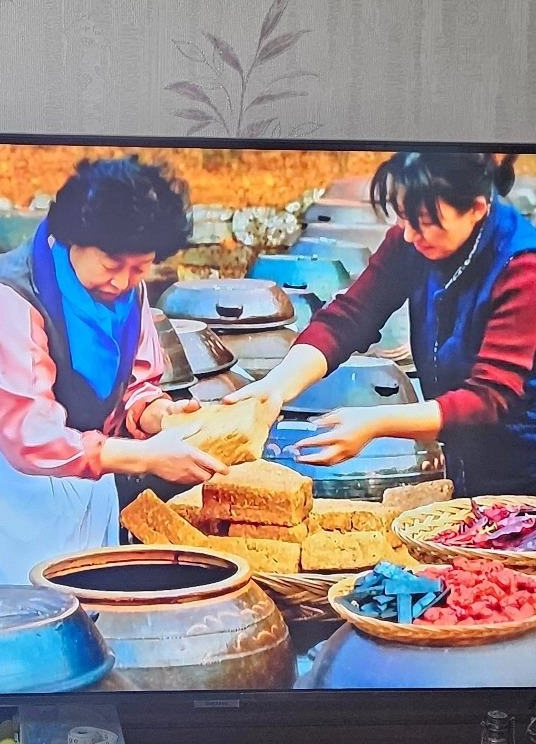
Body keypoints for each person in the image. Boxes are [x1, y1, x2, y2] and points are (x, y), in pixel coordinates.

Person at [0, 156, 228, 598]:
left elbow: (133, 385)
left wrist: (158, 415)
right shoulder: (4, 298)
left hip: (69, 480)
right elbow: (31, 435)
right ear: (73, 238)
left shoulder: (128, 293)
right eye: (111, 264)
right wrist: (147, 458)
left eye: (140, 268)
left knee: (68, 617)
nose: (123, 281)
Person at [227, 151, 536, 498]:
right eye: (404, 217)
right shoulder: (414, 240)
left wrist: (376, 422)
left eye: (424, 222)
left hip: (523, 473)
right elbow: (351, 317)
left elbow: (488, 399)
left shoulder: (522, 267)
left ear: (477, 209)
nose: (410, 235)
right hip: (463, 460)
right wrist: (277, 385)